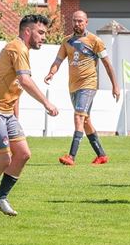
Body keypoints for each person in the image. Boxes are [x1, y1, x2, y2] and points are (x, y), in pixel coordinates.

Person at [0, 14, 59, 218]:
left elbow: (15, 85)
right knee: (3, 159)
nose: (44, 37)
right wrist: (46, 102)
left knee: (23, 154)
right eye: (41, 33)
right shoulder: (16, 48)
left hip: (6, 113)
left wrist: (15, 116)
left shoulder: (22, 50)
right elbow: (24, 81)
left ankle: (0, 198)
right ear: (28, 32)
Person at [44, 10, 119, 166]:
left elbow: (107, 64)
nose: (76, 24)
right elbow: (58, 60)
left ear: (86, 22)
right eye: (74, 21)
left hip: (88, 84)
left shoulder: (95, 41)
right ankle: (101, 155)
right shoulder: (66, 41)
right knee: (85, 121)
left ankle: (71, 156)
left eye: (80, 21)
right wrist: (51, 73)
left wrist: (115, 86)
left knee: (78, 117)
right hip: (73, 86)